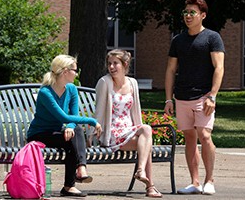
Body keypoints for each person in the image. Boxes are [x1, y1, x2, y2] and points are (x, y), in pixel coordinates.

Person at [164, 0, 225, 195]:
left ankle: (210, 180)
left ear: (203, 15)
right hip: (181, 97)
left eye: (193, 12)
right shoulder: (178, 40)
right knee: (189, 138)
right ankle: (195, 182)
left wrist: (213, 95)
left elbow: (219, 67)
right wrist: (168, 98)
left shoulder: (212, 37)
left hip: (204, 96)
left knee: (205, 135)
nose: (188, 16)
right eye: (186, 12)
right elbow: (171, 70)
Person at [26, 54, 102, 198]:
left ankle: (78, 172)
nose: (76, 73)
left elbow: (73, 115)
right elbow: (63, 117)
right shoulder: (45, 92)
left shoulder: (72, 89)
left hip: (57, 131)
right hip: (39, 134)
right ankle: (73, 181)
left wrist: (70, 127)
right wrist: (92, 121)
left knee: (76, 131)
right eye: (74, 70)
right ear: (65, 71)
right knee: (73, 137)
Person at [94, 49, 162, 198]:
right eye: (109, 63)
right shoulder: (104, 82)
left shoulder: (132, 83)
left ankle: (142, 173)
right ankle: (149, 185)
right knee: (146, 140)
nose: (111, 67)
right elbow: (98, 111)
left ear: (125, 65)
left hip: (129, 130)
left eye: (115, 63)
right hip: (111, 133)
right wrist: (91, 136)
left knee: (145, 138)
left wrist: (139, 131)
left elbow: (135, 111)